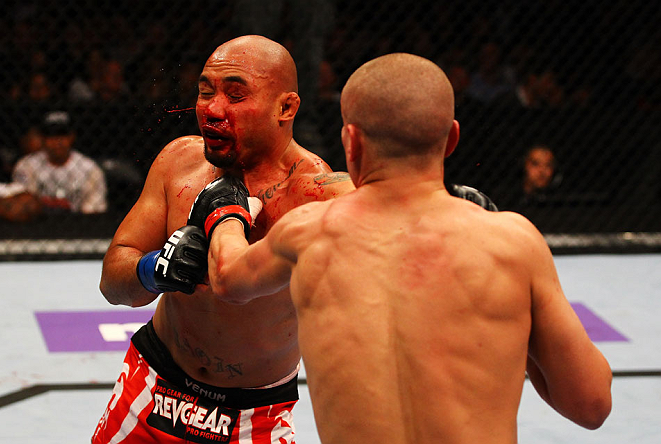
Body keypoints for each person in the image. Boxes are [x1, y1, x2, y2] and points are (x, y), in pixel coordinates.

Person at [204, 53, 612, 444]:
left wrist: (223, 209)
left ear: (351, 141)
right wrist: (515, 315)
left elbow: (227, 277)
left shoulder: (307, 234)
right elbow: (590, 404)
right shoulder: (511, 243)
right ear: (451, 138)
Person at [92, 35, 355, 443]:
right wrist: (153, 269)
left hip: (253, 417)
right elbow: (112, 281)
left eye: (235, 95)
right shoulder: (180, 161)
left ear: (285, 107)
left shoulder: (321, 197)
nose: (212, 110)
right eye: (205, 91)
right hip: (150, 387)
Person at [12, 110, 107, 213]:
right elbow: (22, 204)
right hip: (36, 224)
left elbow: (95, 209)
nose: (57, 141)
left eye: (62, 134)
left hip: (80, 224)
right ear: (43, 138)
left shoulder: (90, 169)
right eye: (51, 135)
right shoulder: (26, 166)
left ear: (72, 137)